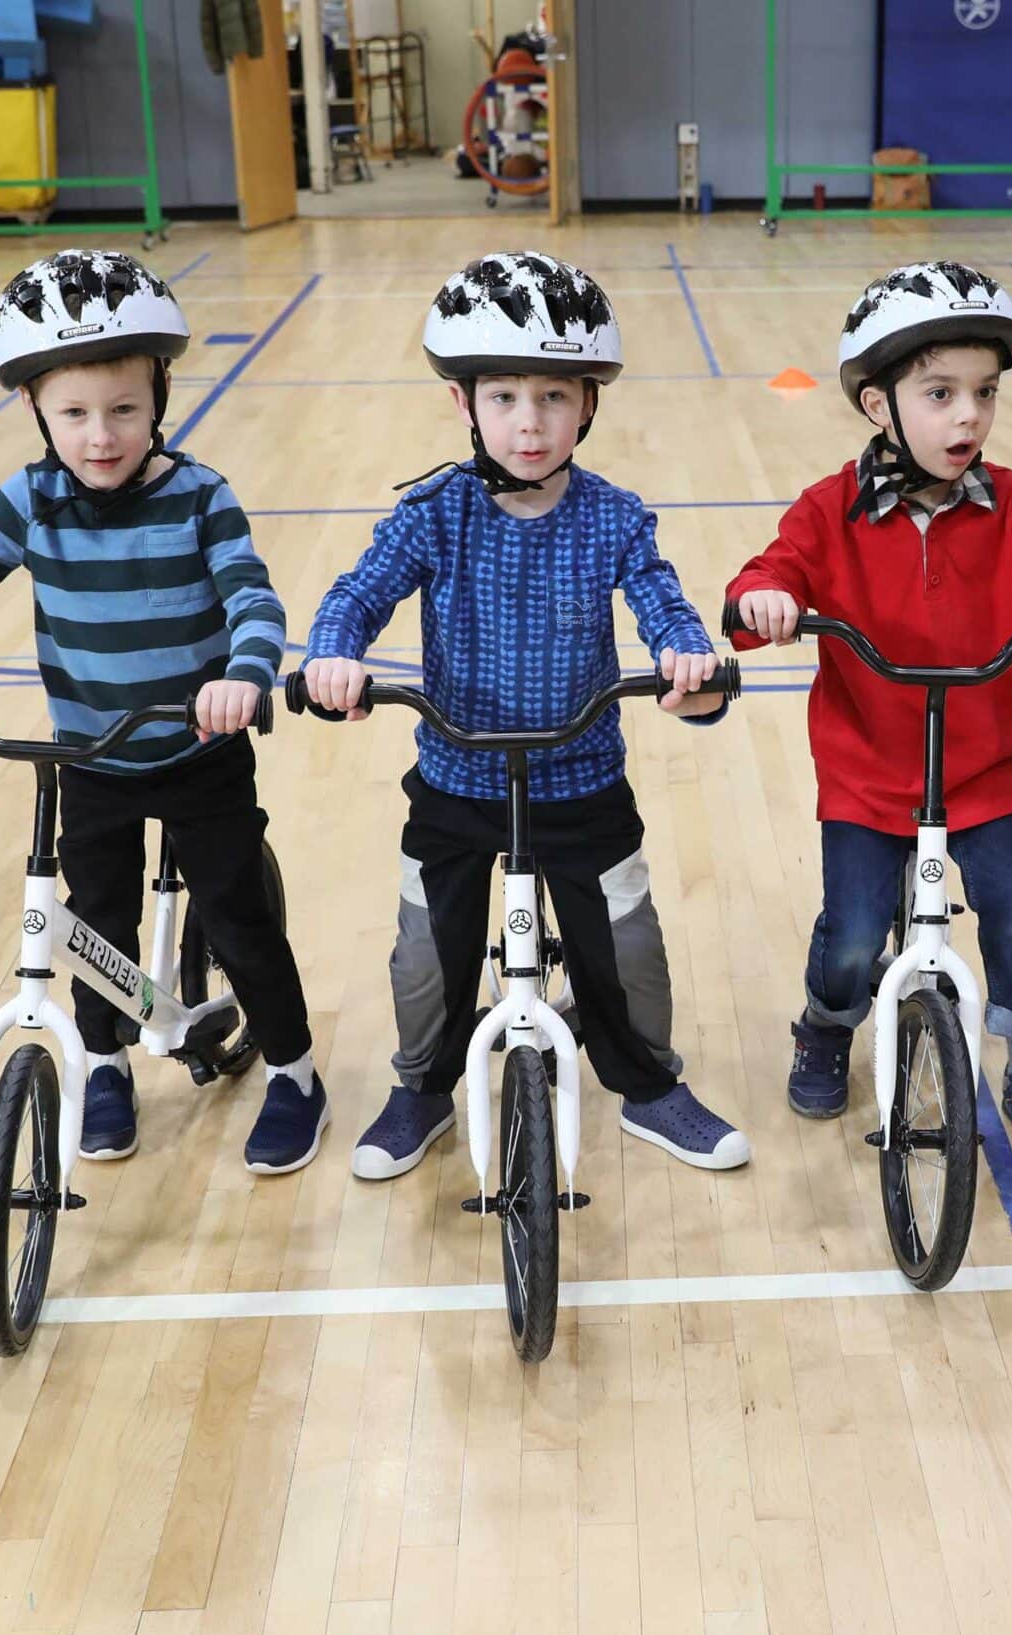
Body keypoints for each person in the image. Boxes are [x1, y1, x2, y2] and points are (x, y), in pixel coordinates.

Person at [0, 250, 326, 1173]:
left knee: (239, 915)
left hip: (200, 747)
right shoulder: (29, 500)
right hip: (90, 756)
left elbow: (254, 601)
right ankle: (104, 1062)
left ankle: (295, 1070)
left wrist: (245, 676)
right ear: (35, 410)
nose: (101, 435)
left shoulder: (200, 496)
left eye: (124, 411)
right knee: (96, 925)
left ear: (159, 401)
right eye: (74, 414)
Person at [301, 251, 747, 1181]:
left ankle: (648, 1083)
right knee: (427, 949)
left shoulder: (615, 517)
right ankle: (421, 1087)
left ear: (589, 403)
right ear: (463, 406)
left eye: (553, 395)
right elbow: (360, 590)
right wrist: (334, 653)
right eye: (502, 396)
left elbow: (661, 600)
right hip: (457, 779)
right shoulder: (435, 513)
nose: (529, 421)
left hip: (582, 779)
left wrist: (685, 655)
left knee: (627, 942)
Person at [724, 262, 1012, 1162]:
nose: (968, 418)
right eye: (940, 393)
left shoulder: (1011, 499)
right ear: (878, 404)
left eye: (984, 394)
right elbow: (769, 572)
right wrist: (764, 601)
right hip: (867, 773)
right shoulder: (830, 509)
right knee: (854, 932)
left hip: (985, 771)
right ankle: (826, 1024)